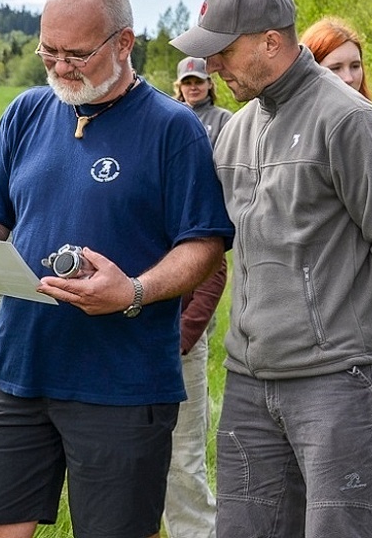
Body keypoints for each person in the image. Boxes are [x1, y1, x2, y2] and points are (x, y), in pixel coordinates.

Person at [0, 0, 235, 538]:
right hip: (17, 366)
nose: (60, 67)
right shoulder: (26, 111)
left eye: (76, 54)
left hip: (122, 382)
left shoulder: (174, 129)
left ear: (124, 43)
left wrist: (133, 291)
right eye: (49, 50)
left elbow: (205, 246)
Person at [171, 0, 372, 538]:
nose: (213, 68)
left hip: (337, 380)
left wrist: (351, 312)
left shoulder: (349, 121)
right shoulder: (236, 131)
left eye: (223, 52)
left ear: (270, 41)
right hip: (248, 380)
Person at [298, 17, 372, 366]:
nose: (348, 77)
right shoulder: (298, 135)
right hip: (316, 315)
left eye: (355, 65)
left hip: (365, 306)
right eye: (335, 67)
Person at [163, 56, 233, 538]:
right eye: (185, 82)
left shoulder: (224, 124)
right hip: (122, 332)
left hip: (182, 329)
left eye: (199, 82)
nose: (192, 88)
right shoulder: (166, 123)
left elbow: (212, 261)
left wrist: (186, 334)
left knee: (183, 454)